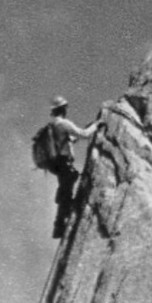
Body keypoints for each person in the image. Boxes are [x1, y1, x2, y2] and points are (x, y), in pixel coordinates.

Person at [46, 96, 96, 238]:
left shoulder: (53, 126)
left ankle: (60, 223)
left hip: (58, 164)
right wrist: (96, 126)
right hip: (64, 163)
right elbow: (84, 135)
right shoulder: (63, 124)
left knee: (65, 189)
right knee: (66, 191)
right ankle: (60, 226)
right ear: (63, 109)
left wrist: (87, 128)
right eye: (65, 107)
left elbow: (69, 141)